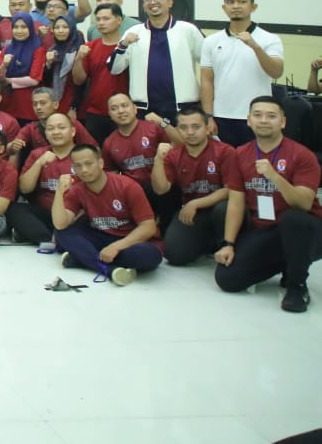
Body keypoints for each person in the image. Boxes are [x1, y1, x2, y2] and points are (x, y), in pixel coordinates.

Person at [214, 96, 322, 313]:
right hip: (266, 228)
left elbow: (303, 203)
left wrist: (274, 176)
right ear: (249, 120)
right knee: (227, 279)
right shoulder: (240, 154)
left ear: (283, 122)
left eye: (271, 116)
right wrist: (228, 244)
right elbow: (236, 202)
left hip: (307, 231)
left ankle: (297, 284)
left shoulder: (302, 155)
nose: (263, 120)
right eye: (258, 115)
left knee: (294, 218)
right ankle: (288, 262)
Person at [52, 143, 162, 286]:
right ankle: (108, 269)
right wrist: (59, 192)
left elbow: (148, 227)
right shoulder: (77, 190)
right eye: (78, 166)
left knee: (150, 257)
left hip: (130, 240)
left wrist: (116, 247)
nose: (84, 170)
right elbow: (60, 224)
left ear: (101, 163)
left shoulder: (127, 186)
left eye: (89, 164)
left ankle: (82, 258)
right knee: (61, 233)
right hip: (101, 236)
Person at [199, 0, 285, 146]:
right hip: (221, 116)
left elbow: (276, 72)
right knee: (224, 161)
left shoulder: (269, 38)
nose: (236, 6)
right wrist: (208, 116)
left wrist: (255, 47)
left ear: (253, 7)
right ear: (224, 8)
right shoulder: (211, 41)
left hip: (257, 116)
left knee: (255, 160)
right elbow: (207, 81)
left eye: (242, 1)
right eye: (230, 2)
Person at [108, 0, 205, 123]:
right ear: (143, 6)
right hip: (144, 109)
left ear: (170, 2)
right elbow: (114, 69)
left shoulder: (188, 30)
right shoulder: (134, 32)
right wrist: (123, 45)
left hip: (183, 108)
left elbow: (208, 64)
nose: (153, 2)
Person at [154, 107, 237, 266]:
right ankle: (207, 243)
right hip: (194, 213)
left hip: (220, 208)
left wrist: (195, 203)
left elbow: (230, 189)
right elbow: (160, 189)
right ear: (178, 130)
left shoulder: (225, 151)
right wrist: (158, 160)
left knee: (224, 209)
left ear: (207, 128)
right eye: (184, 128)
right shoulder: (173, 155)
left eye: (196, 127)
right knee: (174, 254)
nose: (190, 132)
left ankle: (229, 245)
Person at [102, 92, 180, 230]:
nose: (121, 111)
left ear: (135, 108)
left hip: (166, 190)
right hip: (136, 195)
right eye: (114, 108)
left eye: (124, 105)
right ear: (110, 114)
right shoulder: (109, 143)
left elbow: (180, 144)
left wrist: (163, 122)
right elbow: (111, 177)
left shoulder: (153, 128)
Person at [10, 112, 79, 245]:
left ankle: (39, 236)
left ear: (72, 131)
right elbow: (25, 189)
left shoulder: (83, 154)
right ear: (46, 134)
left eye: (61, 127)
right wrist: (39, 163)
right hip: (45, 213)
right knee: (14, 209)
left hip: (73, 215)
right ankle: (49, 239)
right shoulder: (37, 154)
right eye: (50, 128)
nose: (56, 132)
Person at [71, 2, 130, 143]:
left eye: (106, 18)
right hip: (95, 111)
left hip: (124, 111)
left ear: (119, 20)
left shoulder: (129, 47)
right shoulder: (89, 47)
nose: (101, 23)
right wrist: (79, 59)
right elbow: (78, 80)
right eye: (98, 19)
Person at [0, 13, 46, 121]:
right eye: (16, 27)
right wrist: (4, 66)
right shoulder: (6, 49)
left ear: (30, 28)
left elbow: (34, 80)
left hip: (27, 104)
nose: (19, 31)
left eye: (23, 27)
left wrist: (9, 81)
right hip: (8, 102)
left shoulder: (38, 49)